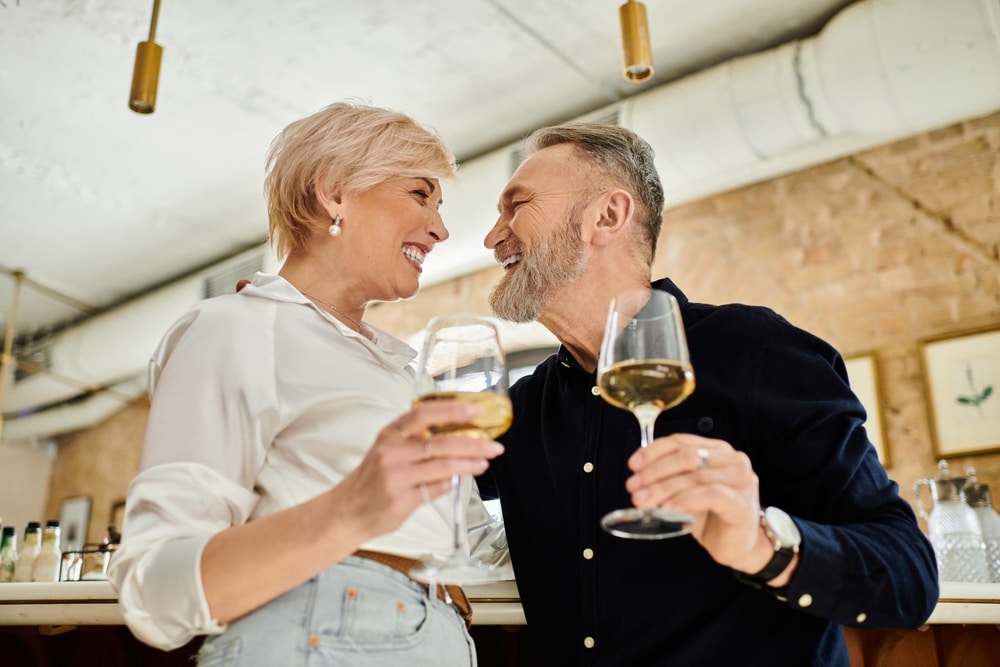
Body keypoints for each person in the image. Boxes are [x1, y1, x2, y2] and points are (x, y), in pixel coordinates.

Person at [476, 122, 939, 665]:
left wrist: (763, 544)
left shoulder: (757, 351)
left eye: (517, 205)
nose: (491, 237)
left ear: (606, 216)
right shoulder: (522, 411)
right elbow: (417, 496)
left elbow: (908, 576)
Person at [108, 102, 508, 666]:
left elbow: (477, 547)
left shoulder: (399, 371)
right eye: (421, 195)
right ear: (335, 193)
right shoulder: (235, 327)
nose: (441, 229)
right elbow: (154, 590)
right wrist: (351, 511)